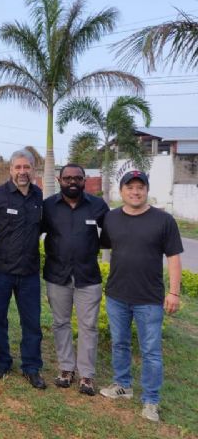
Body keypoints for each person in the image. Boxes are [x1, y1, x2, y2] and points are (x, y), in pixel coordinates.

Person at [99, 171, 183, 423]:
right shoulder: (111, 218)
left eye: (140, 187)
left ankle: (151, 400)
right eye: (130, 187)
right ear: (121, 190)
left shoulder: (163, 220)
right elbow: (106, 248)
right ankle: (123, 385)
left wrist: (174, 292)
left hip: (149, 299)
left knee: (151, 351)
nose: (135, 192)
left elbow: (174, 258)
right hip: (116, 295)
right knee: (120, 343)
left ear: (146, 190)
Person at [0, 149, 46, 389]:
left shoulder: (39, 197)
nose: (22, 172)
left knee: (32, 322)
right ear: (10, 170)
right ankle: (3, 361)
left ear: (33, 169)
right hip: (0, 271)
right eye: (17, 167)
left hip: (29, 272)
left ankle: (31, 367)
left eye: (26, 167)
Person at [42, 164, 109, 396]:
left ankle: (87, 375)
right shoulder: (48, 206)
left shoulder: (98, 206)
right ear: (59, 179)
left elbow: (110, 237)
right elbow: (33, 232)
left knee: (88, 325)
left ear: (84, 180)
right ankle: (66, 368)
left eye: (77, 178)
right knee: (60, 323)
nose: (72, 182)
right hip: (56, 274)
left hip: (88, 276)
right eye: (68, 178)